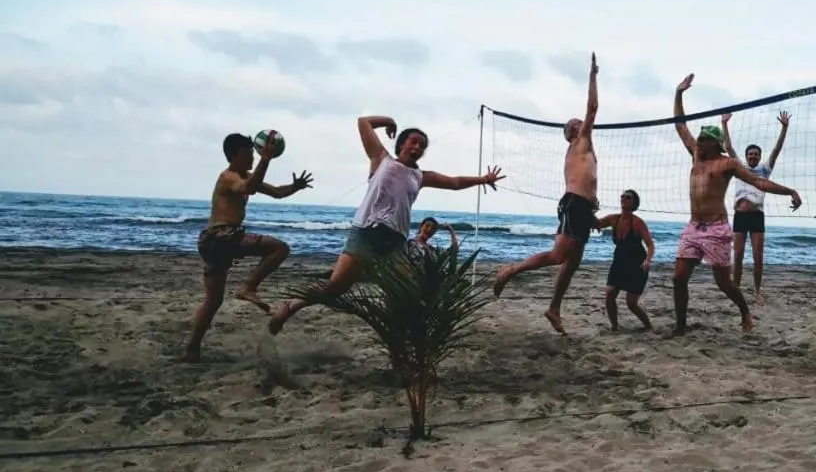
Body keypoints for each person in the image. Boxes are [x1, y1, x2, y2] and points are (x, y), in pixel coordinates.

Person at [268, 116, 503, 335]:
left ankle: (396, 337)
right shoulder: (381, 159)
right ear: (401, 144)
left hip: (395, 244)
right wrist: (389, 121)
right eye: (414, 142)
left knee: (406, 293)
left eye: (422, 146)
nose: (418, 148)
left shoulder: (420, 176)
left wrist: (483, 179)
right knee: (335, 288)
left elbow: (454, 182)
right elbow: (363, 122)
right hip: (366, 235)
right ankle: (291, 306)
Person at [671, 73, 802, 334]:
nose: (697, 142)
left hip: (717, 228)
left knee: (725, 284)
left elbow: (760, 183)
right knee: (678, 278)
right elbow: (680, 125)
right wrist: (679, 93)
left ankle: (745, 312)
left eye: (703, 139)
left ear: (714, 143)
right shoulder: (696, 156)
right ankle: (681, 327)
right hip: (694, 227)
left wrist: (790, 191)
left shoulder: (727, 163)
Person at [181, 132, 313, 362]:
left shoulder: (245, 175)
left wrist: (296, 186)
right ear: (234, 155)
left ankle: (192, 349)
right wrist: (267, 159)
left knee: (213, 301)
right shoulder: (229, 177)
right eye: (249, 154)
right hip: (221, 237)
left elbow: (277, 192)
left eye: (254, 153)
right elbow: (247, 189)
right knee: (280, 248)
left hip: (214, 242)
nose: (253, 157)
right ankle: (248, 288)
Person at [493, 52, 599, 333]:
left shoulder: (583, 149)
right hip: (574, 204)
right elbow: (593, 108)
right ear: (573, 130)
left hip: (583, 206)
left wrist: (593, 209)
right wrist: (592, 75)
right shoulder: (579, 141)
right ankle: (510, 271)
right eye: (578, 122)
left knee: (573, 262)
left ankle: (553, 308)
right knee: (558, 257)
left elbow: (586, 179)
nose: (584, 122)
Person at [720, 108, 790, 305]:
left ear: (759, 157)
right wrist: (724, 124)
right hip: (740, 216)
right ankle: (736, 289)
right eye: (750, 154)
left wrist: (784, 128)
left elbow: (776, 150)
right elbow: (729, 147)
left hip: (757, 215)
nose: (752, 157)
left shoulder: (764, 170)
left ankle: (758, 290)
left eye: (755, 154)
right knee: (739, 255)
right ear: (746, 156)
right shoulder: (739, 167)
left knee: (758, 255)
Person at [593, 189, 655, 332]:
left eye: (628, 197)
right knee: (609, 293)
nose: (624, 199)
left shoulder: (638, 223)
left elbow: (650, 245)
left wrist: (648, 260)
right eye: (622, 196)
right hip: (619, 262)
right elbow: (595, 224)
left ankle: (648, 326)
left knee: (631, 303)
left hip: (637, 264)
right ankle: (614, 327)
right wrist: (591, 208)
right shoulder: (614, 219)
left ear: (634, 203)